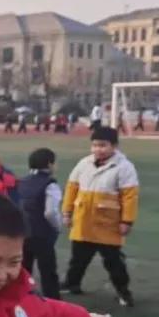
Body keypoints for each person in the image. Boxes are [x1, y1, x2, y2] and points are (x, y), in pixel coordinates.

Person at [61, 127, 139, 307]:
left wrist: (126, 221)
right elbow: (72, 188)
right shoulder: (84, 164)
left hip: (108, 224)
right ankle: (72, 283)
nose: (98, 149)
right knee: (78, 258)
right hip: (83, 220)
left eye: (103, 145)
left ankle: (123, 291)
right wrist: (67, 212)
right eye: (95, 145)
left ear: (114, 146)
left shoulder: (124, 167)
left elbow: (130, 196)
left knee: (114, 262)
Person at [18, 148, 62, 299]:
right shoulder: (50, 184)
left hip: (23, 232)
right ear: (49, 164)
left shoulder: (21, 182)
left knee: (23, 269)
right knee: (48, 271)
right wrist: (57, 227)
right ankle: (53, 301)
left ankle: (23, 298)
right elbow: (50, 212)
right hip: (42, 233)